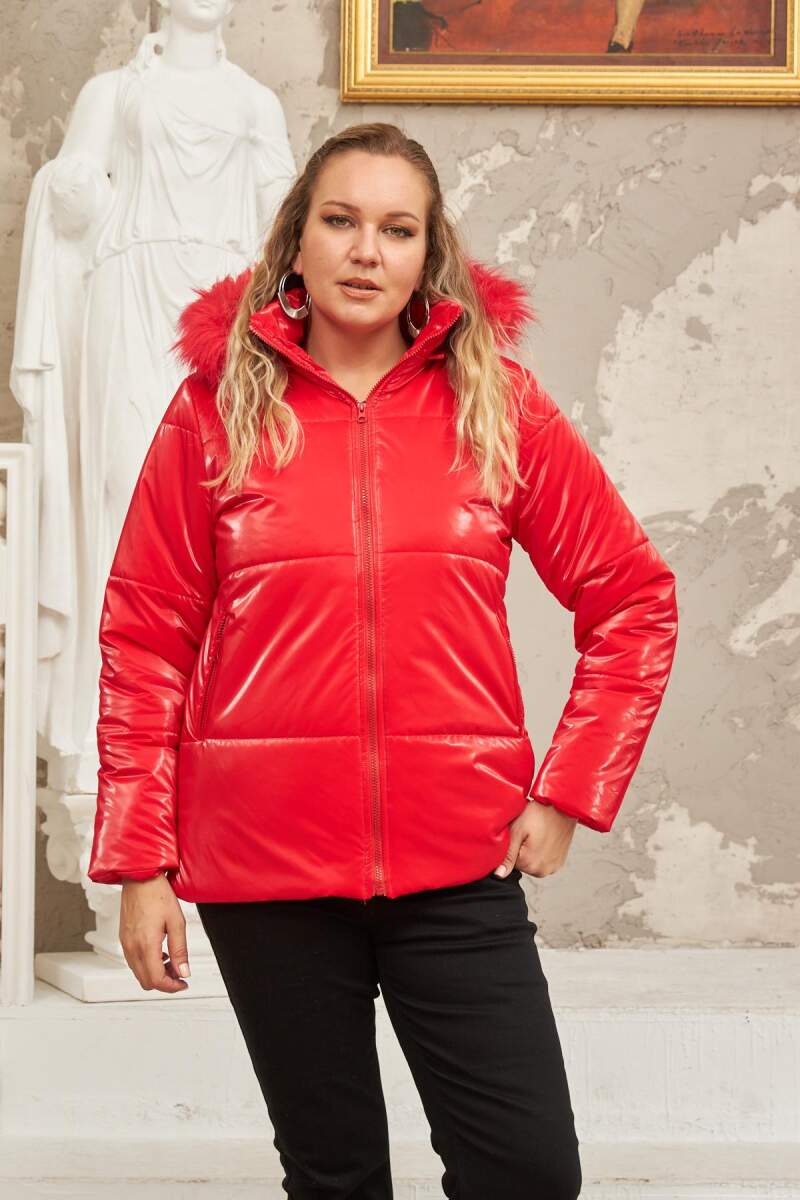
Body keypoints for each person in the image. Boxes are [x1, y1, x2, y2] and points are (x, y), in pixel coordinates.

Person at [87, 121, 678, 1198]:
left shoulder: (497, 403)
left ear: (427, 252)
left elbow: (632, 599)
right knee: (334, 1178)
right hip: (265, 870)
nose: (366, 250)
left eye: (396, 229)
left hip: (456, 862)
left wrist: (567, 791)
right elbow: (145, 640)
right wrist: (140, 865)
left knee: (527, 1172)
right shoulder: (215, 410)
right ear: (296, 242)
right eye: (341, 221)